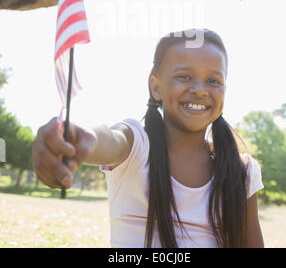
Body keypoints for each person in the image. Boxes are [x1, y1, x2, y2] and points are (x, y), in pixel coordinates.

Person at [32, 28, 264, 248]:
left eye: (213, 81)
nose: (200, 90)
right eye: (184, 76)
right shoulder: (136, 147)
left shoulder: (242, 170)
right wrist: (81, 138)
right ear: (156, 86)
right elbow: (111, 139)